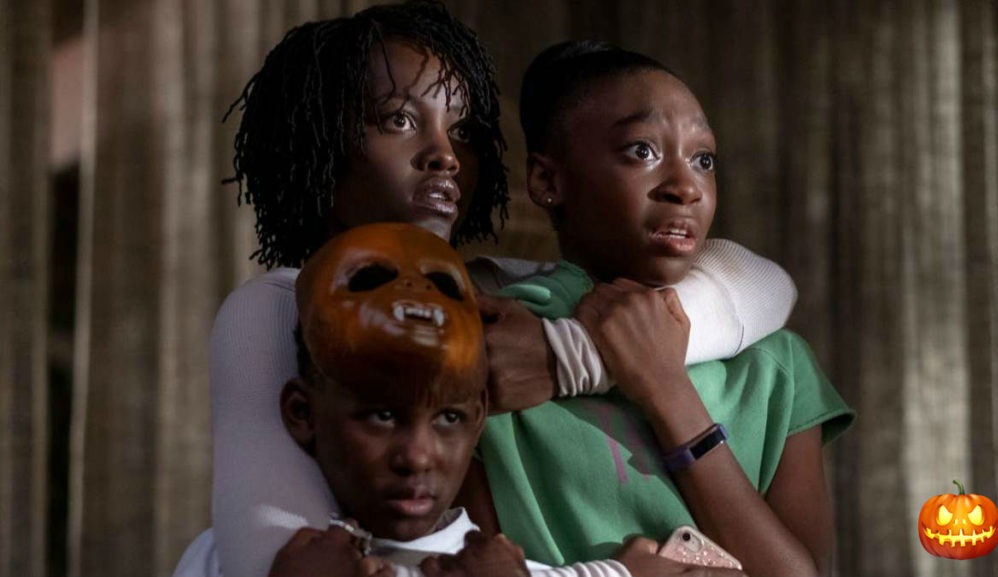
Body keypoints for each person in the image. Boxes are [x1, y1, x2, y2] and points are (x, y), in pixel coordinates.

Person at [196, 3, 799, 576]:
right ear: (317, 141)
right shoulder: (275, 305)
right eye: (400, 120)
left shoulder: (491, 290)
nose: (445, 156)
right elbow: (287, 566)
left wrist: (568, 355)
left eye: (462, 130)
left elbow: (765, 285)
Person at [465, 41, 855, 577]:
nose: (685, 187)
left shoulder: (775, 367)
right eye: (641, 151)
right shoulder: (497, 343)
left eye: (703, 160)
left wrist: (667, 389)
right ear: (547, 181)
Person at [270, 222, 731, 577]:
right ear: (301, 413)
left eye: (449, 418)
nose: (417, 456)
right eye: (383, 415)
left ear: (478, 419)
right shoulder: (260, 553)